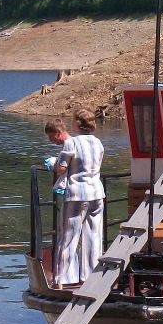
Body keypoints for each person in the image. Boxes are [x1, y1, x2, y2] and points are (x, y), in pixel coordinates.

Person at [53, 107, 105, 286]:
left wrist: (53, 163)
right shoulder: (98, 143)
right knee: (93, 236)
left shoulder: (72, 143)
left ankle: (63, 278)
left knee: (68, 236)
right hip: (97, 194)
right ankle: (91, 277)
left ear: (77, 123)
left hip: (77, 194)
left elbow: (61, 168)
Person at [43, 119, 70, 196]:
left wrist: (53, 165)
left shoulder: (69, 144)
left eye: (51, 136)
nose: (50, 140)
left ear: (58, 133)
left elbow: (61, 169)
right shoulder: (73, 142)